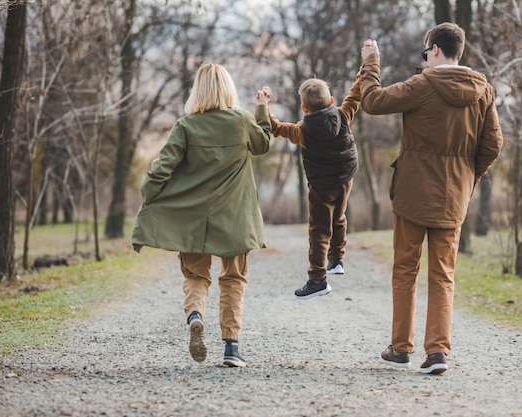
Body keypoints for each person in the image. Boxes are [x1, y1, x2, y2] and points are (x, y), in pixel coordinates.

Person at [359, 23, 503, 374]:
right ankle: (437, 352)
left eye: (426, 52)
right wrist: (468, 179)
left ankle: (400, 348)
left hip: (412, 194)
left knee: (405, 270)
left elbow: (372, 101)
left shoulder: (423, 84)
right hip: (454, 197)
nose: (425, 58)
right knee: (443, 276)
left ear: (435, 50)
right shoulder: (483, 90)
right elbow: (493, 145)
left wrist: (371, 62)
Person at [131, 63, 272, 368]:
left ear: (198, 90)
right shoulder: (241, 120)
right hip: (235, 219)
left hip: (194, 219)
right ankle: (232, 348)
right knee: (233, 278)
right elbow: (262, 144)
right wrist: (262, 109)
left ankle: (195, 314)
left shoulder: (186, 125)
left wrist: (150, 196)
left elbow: (162, 168)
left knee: (196, 275)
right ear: (228, 88)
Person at [259, 72, 361, 300]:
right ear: (332, 101)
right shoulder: (343, 115)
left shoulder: (301, 131)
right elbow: (355, 95)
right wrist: (366, 69)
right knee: (339, 217)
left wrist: (264, 105)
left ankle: (317, 279)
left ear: (304, 109)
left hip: (321, 187)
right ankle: (336, 259)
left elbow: (275, 127)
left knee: (319, 230)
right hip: (345, 178)